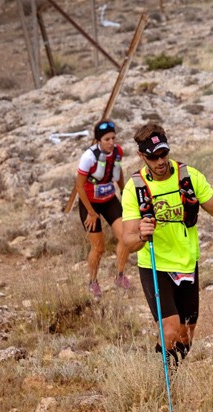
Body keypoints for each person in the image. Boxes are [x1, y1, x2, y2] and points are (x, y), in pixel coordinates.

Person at [120, 123, 213, 365]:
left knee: (186, 334)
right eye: (153, 157)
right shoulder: (135, 188)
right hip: (155, 265)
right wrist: (142, 235)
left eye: (164, 153)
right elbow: (128, 241)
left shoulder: (189, 176)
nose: (160, 161)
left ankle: (173, 370)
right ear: (141, 156)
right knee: (170, 331)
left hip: (186, 262)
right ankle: (162, 381)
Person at [74, 120, 131, 298]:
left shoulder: (118, 152)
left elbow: (118, 173)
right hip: (89, 203)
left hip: (109, 199)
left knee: (125, 238)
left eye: (113, 138)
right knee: (98, 248)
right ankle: (93, 282)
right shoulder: (88, 157)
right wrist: (91, 213)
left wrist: (124, 191)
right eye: (107, 139)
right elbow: (79, 186)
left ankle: (120, 276)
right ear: (99, 140)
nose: (111, 142)